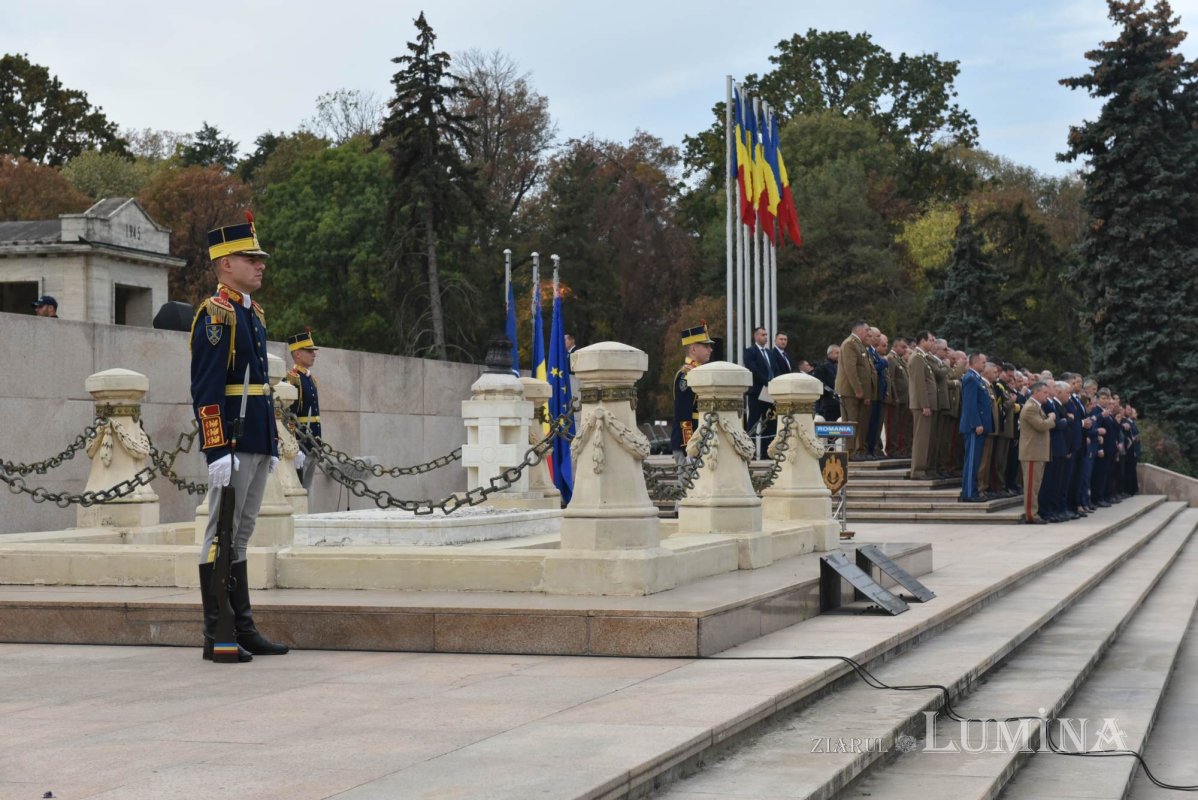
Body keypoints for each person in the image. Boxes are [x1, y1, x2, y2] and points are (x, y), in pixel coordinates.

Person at [191, 213, 288, 662]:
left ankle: (243, 626)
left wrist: (269, 443)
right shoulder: (216, 315)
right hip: (230, 441)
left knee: (242, 532)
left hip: (254, 439)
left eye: (260, 258)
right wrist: (215, 449)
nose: (260, 264)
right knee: (221, 531)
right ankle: (219, 634)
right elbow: (207, 390)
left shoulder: (253, 314)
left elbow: (259, 386)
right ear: (225, 263)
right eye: (251, 258)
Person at [672, 324, 714, 462]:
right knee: (687, 484)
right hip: (690, 444)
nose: (710, 349)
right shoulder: (686, 375)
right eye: (706, 346)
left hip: (702, 439)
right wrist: (688, 446)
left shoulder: (699, 372)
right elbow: (683, 413)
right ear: (693, 349)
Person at [1019, 381, 1057, 524]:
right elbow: (1041, 426)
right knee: (1031, 487)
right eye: (1045, 393)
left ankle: (1033, 513)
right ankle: (1031, 514)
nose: (1047, 395)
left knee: (1035, 486)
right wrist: (1051, 418)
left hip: (1037, 452)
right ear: (1036, 392)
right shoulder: (1030, 408)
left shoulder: (1036, 407)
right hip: (1031, 453)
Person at [286, 329, 321, 478]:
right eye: (309, 351)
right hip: (301, 444)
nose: (314, 354)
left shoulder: (309, 379)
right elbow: (289, 416)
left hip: (313, 442)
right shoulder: (293, 378)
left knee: (307, 487)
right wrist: (295, 446)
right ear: (297, 354)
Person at [835, 321, 873, 458]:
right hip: (850, 392)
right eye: (867, 330)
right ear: (860, 330)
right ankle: (850, 452)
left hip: (858, 392)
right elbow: (851, 369)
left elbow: (865, 371)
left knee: (859, 422)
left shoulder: (859, 344)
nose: (869, 333)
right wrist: (858, 389)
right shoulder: (850, 344)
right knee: (850, 422)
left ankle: (857, 450)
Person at [958, 353, 992, 501]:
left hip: (979, 426)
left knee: (975, 461)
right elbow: (970, 404)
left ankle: (971, 490)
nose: (985, 365)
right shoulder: (970, 378)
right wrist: (976, 423)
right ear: (975, 362)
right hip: (973, 427)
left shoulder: (977, 378)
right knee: (972, 461)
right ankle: (969, 493)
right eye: (983, 362)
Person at [907, 331, 939, 480]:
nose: (933, 343)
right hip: (921, 406)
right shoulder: (918, 358)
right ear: (922, 341)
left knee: (927, 439)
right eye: (931, 340)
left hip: (926, 405)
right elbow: (919, 384)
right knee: (921, 439)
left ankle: (924, 468)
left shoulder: (924, 358)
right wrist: (925, 404)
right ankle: (918, 470)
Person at [743, 326, 775, 439]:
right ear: (756, 336)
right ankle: (749, 450)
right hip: (757, 392)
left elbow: (773, 370)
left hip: (770, 392)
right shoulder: (750, 351)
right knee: (753, 421)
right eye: (763, 335)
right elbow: (754, 370)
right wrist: (767, 382)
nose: (766, 337)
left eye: (766, 335)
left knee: (770, 421)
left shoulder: (770, 353)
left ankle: (767, 451)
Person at [885, 337, 910, 457]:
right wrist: (893, 396)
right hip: (896, 398)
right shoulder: (891, 359)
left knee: (901, 425)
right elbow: (891, 379)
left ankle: (901, 448)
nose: (905, 350)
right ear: (895, 346)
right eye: (903, 347)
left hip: (903, 398)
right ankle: (892, 449)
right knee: (893, 425)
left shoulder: (899, 360)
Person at [813, 345, 840, 421]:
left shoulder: (838, 366)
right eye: (837, 353)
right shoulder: (822, 367)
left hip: (838, 403)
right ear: (830, 353)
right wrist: (831, 391)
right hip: (828, 403)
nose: (839, 355)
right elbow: (819, 383)